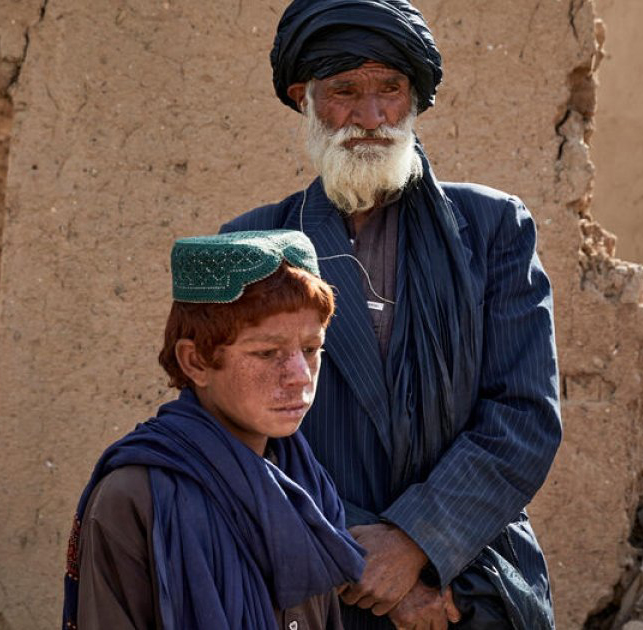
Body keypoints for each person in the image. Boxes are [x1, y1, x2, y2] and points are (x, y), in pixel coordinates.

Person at [221, 1, 563, 628]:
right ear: (305, 97)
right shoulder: (251, 245)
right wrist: (357, 558)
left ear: (415, 98)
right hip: (307, 583)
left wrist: (415, 542)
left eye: (389, 90)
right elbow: (232, 433)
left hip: (468, 579)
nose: (370, 116)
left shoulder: (491, 230)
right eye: (344, 91)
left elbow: (524, 416)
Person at [61, 231, 365, 630]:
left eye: (311, 349)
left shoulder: (304, 483)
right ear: (196, 361)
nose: (298, 376)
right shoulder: (134, 499)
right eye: (267, 353)